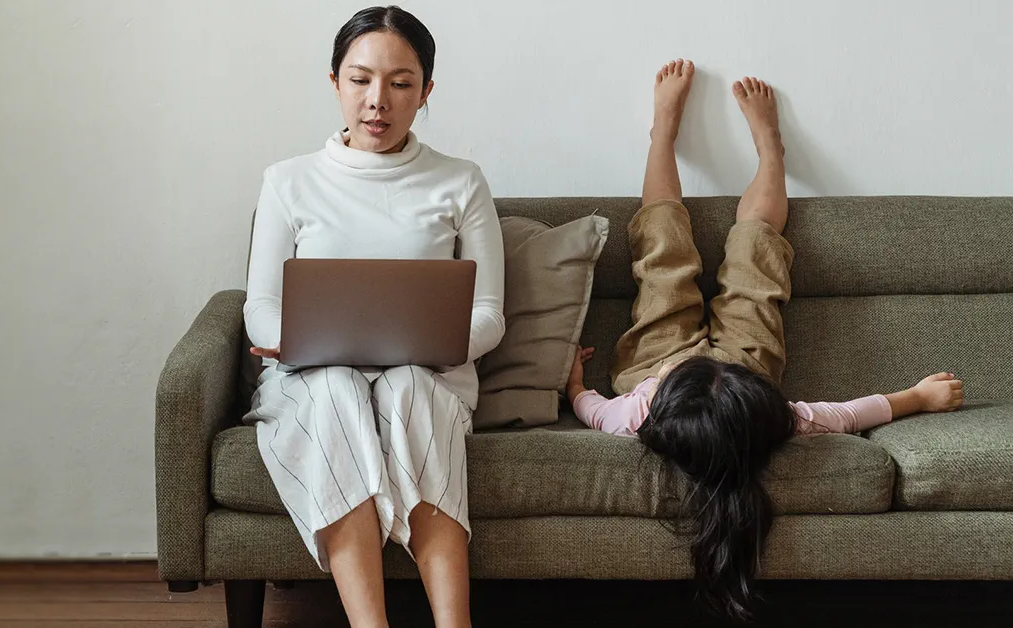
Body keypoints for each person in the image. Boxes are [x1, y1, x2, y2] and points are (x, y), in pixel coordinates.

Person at [565, 59, 965, 620]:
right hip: (742, 368)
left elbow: (594, 412)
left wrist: (576, 382)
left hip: (657, 364)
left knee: (661, 255)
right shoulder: (769, 414)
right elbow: (848, 414)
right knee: (757, 253)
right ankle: (771, 151)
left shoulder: (639, 409)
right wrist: (916, 398)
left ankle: (662, 134)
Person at [242, 7, 504, 627]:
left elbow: (489, 314)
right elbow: (259, 307)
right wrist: (293, 341)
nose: (377, 102)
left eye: (400, 83)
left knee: (409, 387)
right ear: (334, 82)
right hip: (314, 376)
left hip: (428, 372)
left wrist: (431, 345)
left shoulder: (461, 183)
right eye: (359, 80)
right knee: (336, 392)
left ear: (426, 91)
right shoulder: (288, 182)